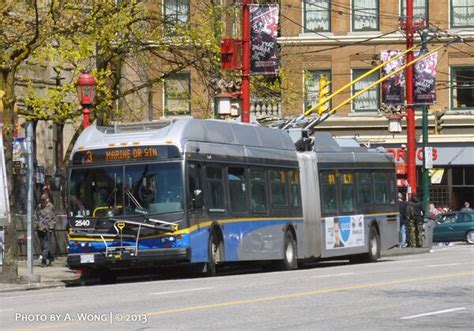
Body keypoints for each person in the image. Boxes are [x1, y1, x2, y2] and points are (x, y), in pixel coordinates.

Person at [35, 193, 57, 267]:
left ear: (47, 200)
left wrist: (51, 226)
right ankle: (51, 257)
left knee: (45, 246)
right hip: (40, 229)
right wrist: (36, 225)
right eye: (41, 200)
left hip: (47, 229)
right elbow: (36, 216)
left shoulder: (51, 207)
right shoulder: (38, 207)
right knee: (42, 246)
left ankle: (43, 261)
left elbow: (54, 218)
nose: (42, 202)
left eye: (44, 200)